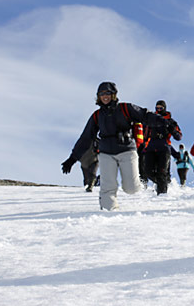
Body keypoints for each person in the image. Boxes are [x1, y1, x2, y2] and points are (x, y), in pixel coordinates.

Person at [61, 82, 152, 211]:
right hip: (106, 153)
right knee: (108, 186)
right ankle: (110, 210)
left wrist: (164, 121)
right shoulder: (97, 116)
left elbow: (146, 115)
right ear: (98, 97)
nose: (105, 96)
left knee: (131, 188)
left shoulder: (126, 108)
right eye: (101, 94)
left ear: (113, 94)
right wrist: (72, 159)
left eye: (107, 93)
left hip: (127, 150)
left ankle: (139, 183)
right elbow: (85, 138)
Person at [142, 100, 182, 195]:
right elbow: (145, 134)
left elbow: (179, 136)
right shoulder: (151, 120)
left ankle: (162, 195)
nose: (158, 110)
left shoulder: (170, 121)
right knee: (148, 171)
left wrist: (172, 130)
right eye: (157, 108)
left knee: (162, 172)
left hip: (164, 149)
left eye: (161, 108)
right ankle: (162, 182)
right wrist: (143, 145)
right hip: (151, 148)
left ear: (164, 108)